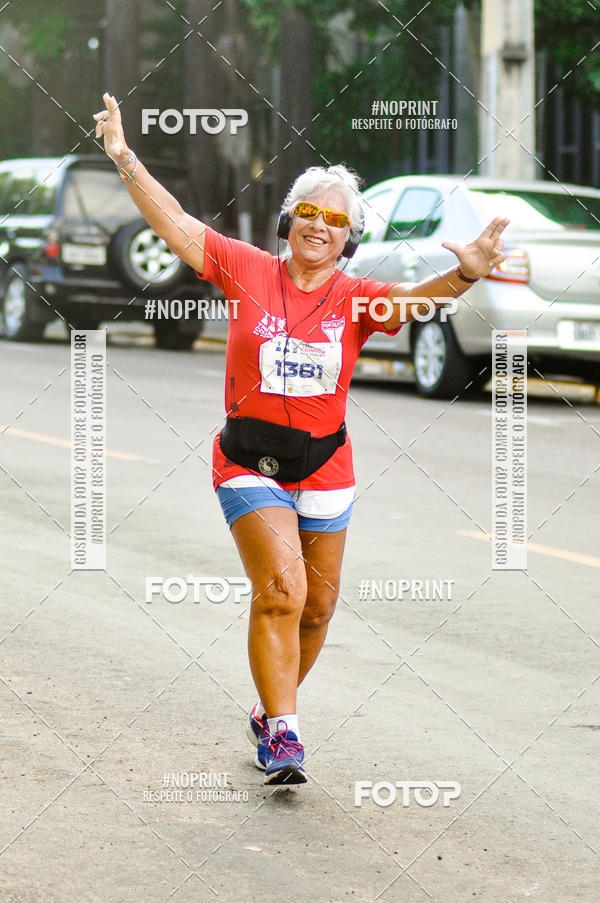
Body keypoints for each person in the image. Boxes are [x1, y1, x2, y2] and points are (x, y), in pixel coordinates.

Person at [94, 93, 508, 786]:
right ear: (289, 222)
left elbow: (417, 301)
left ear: (350, 237)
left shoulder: (355, 298)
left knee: (316, 609)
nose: (320, 225)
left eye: (337, 218)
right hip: (246, 460)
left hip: (326, 466)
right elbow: (176, 222)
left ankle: (269, 707)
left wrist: (465, 271)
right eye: (309, 212)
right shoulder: (246, 269)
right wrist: (124, 158)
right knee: (281, 589)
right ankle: (284, 735)